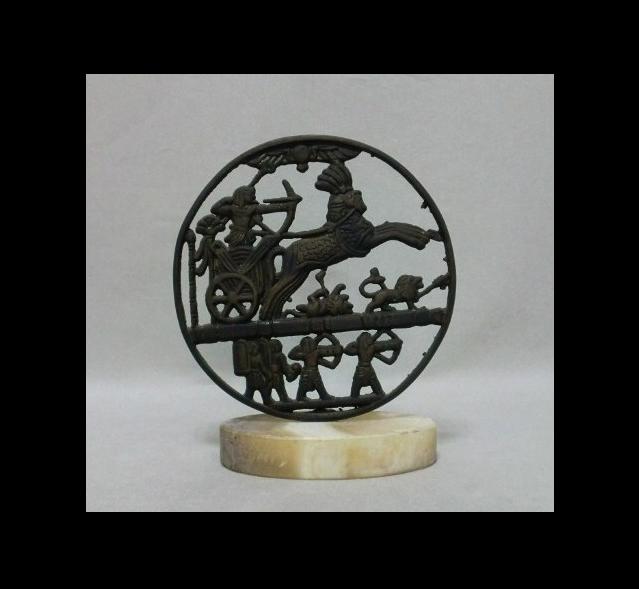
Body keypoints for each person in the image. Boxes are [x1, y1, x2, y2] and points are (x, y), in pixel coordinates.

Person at [344, 332, 402, 397]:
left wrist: (381, 332)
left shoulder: (371, 346)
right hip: (369, 372)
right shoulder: (375, 346)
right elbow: (389, 361)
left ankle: (364, 399)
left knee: (354, 396)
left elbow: (347, 350)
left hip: (361, 371)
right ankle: (366, 399)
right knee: (380, 395)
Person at [288, 336, 342, 401]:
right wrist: (338, 356)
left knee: (302, 394)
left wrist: (321, 336)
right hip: (313, 375)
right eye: (306, 345)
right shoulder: (313, 354)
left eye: (310, 345)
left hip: (306, 375)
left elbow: (291, 355)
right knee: (321, 393)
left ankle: (303, 397)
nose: (309, 347)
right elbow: (332, 365)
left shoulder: (307, 355)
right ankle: (322, 397)